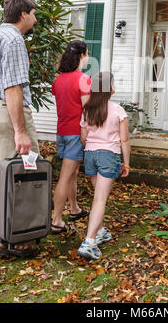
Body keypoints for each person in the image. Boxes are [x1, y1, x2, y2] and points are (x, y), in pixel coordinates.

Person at [0, 0, 39, 257]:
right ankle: (17, 237)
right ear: (24, 14)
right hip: (7, 112)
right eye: (34, 14)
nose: (36, 19)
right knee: (21, 171)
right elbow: (13, 87)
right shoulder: (15, 39)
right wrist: (20, 131)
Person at [77, 72, 130, 260]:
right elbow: (124, 139)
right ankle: (89, 242)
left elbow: (83, 138)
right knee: (100, 200)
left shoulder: (87, 110)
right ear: (111, 89)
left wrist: (93, 146)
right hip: (109, 155)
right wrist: (127, 163)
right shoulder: (117, 110)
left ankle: (101, 232)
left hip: (90, 155)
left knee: (97, 198)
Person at [51, 40, 91, 234]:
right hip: (76, 133)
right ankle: (56, 219)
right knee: (65, 177)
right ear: (82, 55)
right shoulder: (82, 79)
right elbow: (87, 110)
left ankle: (74, 209)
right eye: (87, 54)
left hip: (61, 132)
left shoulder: (58, 80)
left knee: (72, 173)